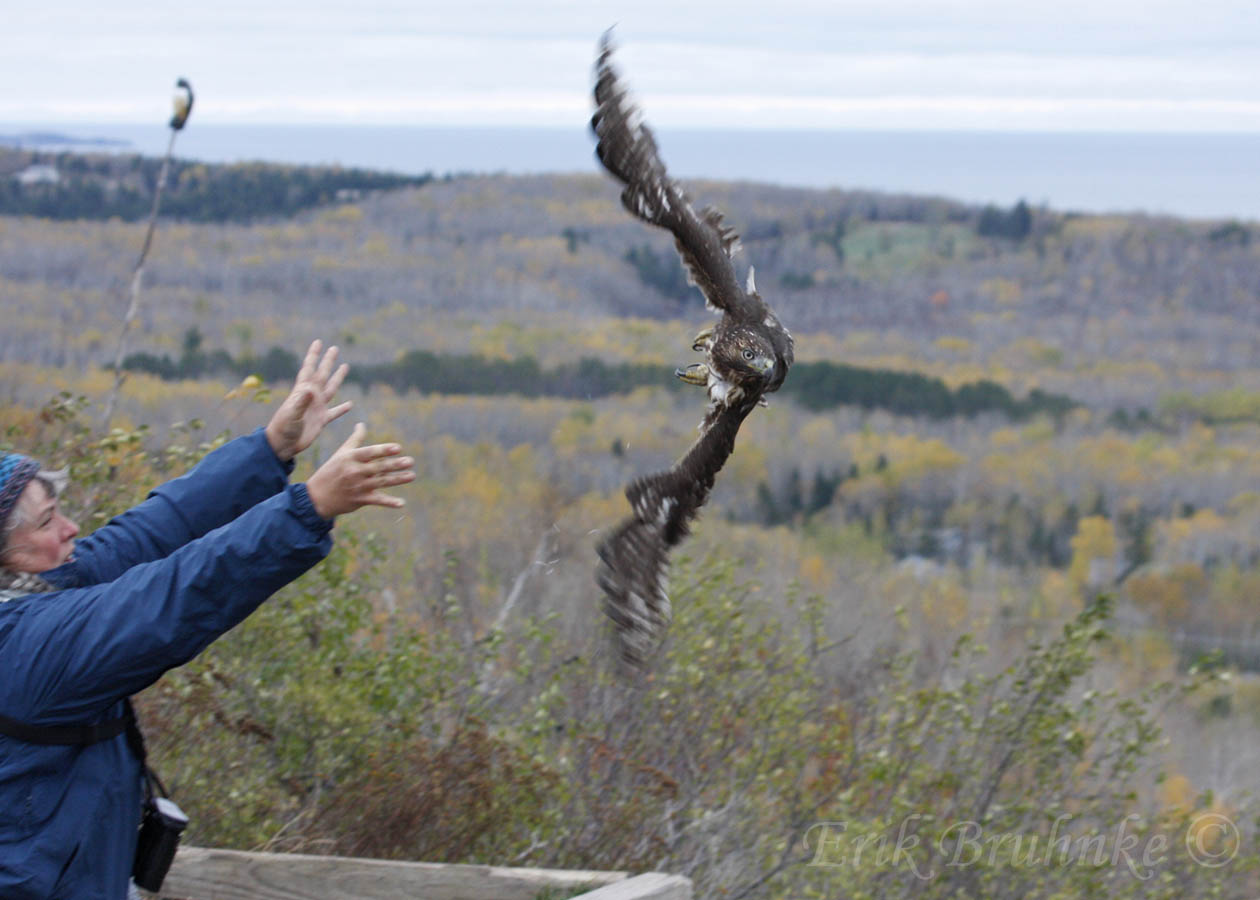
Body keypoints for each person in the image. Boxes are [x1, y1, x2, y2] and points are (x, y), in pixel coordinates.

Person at [0, 340, 415, 899]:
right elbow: (174, 598)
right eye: (49, 521)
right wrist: (307, 508)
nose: (72, 528)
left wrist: (270, 449)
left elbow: (156, 529)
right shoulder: (25, 645)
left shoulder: (41, 588)